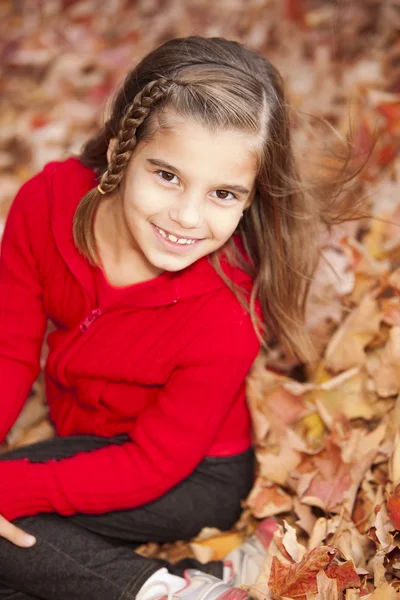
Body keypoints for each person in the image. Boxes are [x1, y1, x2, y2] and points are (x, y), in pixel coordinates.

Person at [0, 36, 360, 600]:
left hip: (191, 475)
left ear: (249, 198)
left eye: (223, 193)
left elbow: (152, 464)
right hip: (95, 442)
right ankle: (212, 578)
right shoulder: (45, 205)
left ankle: (174, 593)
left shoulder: (227, 308)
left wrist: (8, 487)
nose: (187, 217)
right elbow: (10, 350)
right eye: (166, 175)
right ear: (122, 151)